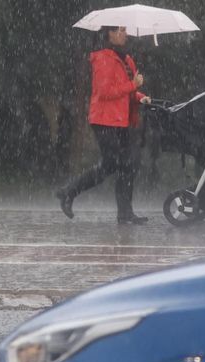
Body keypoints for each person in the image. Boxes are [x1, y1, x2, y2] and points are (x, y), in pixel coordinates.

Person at [56, 25, 152, 224]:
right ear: (110, 33)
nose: (125, 34)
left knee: (127, 166)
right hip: (104, 120)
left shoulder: (127, 60)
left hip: (122, 121)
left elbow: (127, 94)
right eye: (120, 30)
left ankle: (125, 213)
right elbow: (105, 92)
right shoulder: (103, 58)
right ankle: (68, 192)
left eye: (125, 30)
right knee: (114, 164)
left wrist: (140, 96)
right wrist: (133, 85)